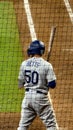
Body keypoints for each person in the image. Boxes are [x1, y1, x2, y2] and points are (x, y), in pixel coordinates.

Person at [17, 40, 57, 130]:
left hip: (27, 98)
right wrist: (44, 80)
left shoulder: (24, 64)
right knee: (51, 125)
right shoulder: (47, 65)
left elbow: (20, 83)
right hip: (40, 99)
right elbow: (52, 85)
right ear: (42, 51)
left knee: (22, 126)